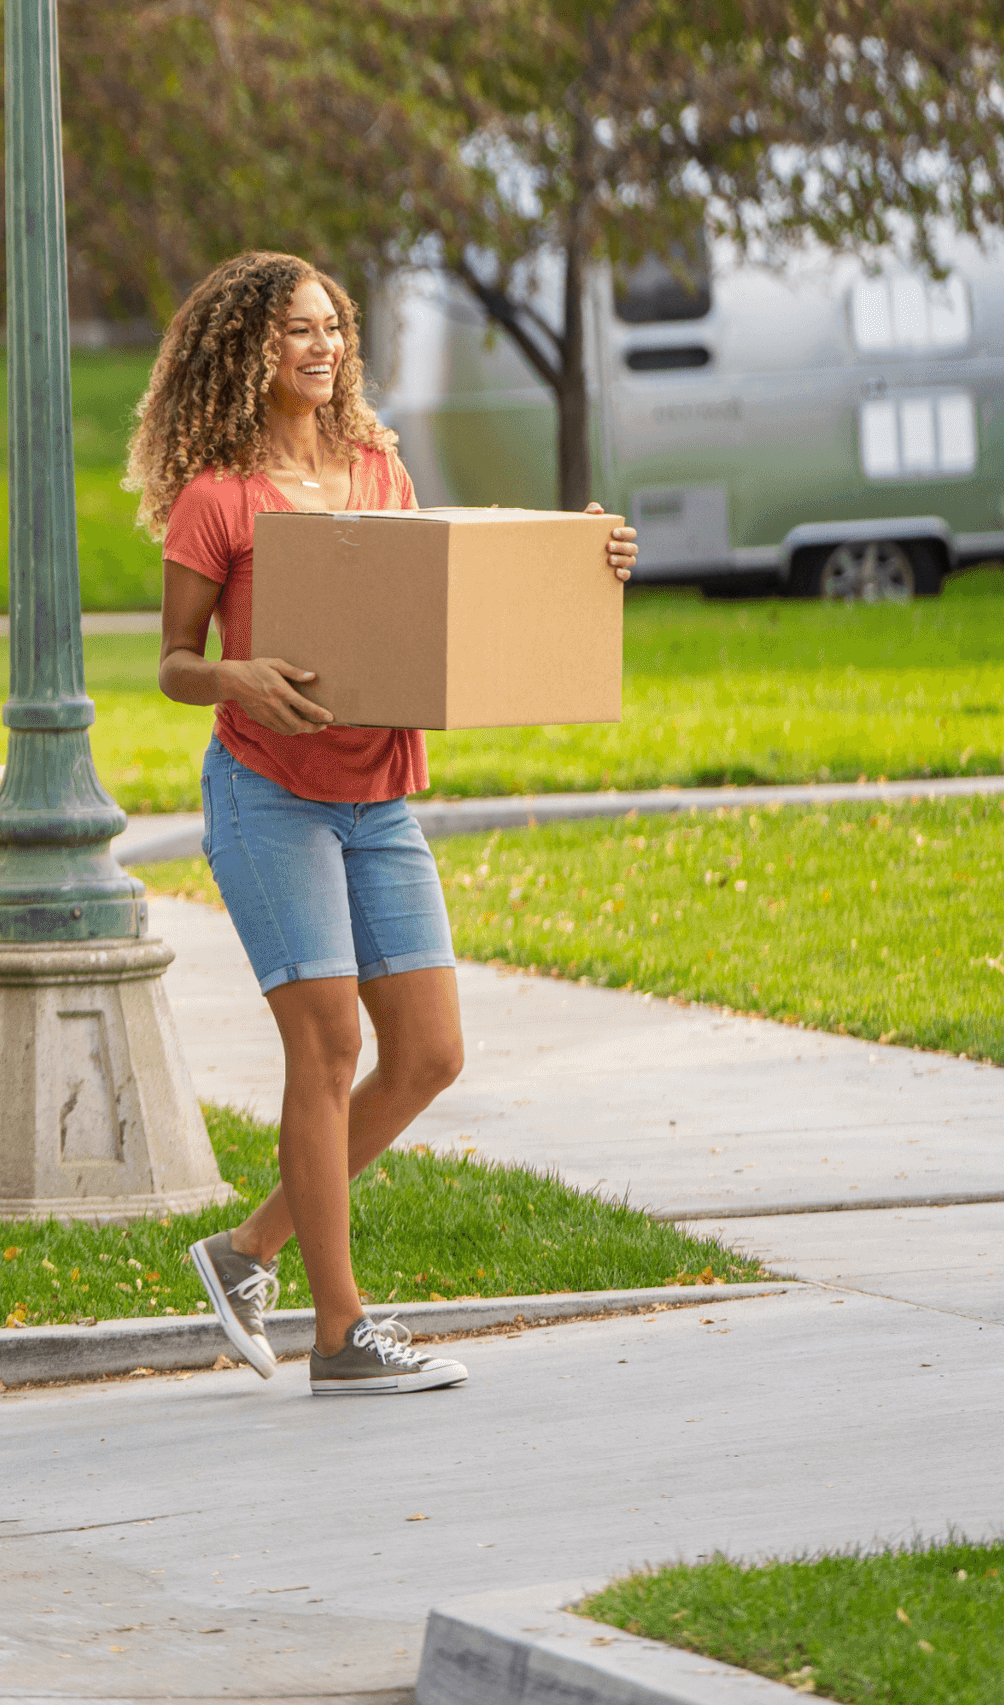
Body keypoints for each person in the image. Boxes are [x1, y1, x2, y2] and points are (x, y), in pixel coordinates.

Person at [135, 252, 637, 1395]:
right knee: (327, 1048)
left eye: (330, 329)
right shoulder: (220, 496)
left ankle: (246, 1249)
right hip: (270, 797)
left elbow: (449, 598)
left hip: (379, 798)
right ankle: (341, 1332)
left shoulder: (377, 468)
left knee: (429, 1053)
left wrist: (588, 563)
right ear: (242, 350)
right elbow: (172, 664)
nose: (319, 348)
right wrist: (238, 678)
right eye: (292, 332)